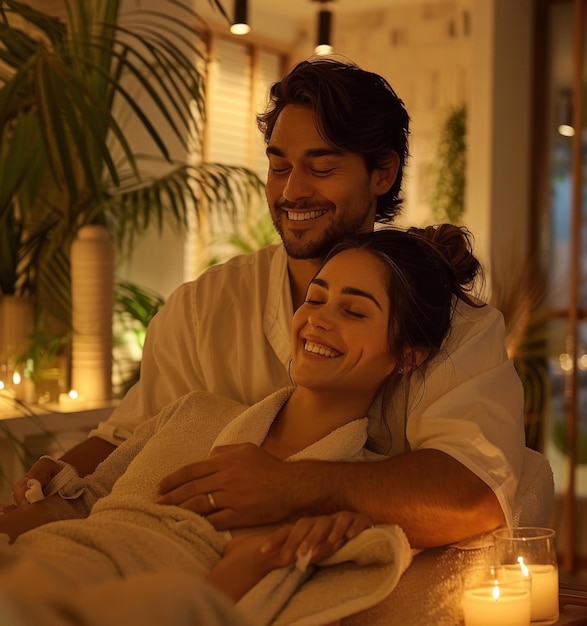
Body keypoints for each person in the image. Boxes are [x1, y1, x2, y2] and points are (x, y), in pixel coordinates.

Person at [9, 58, 525, 552]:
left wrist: (291, 485)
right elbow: (127, 438)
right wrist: (58, 476)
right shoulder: (202, 309)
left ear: (382, 174)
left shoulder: (452, 327)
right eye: (279, 167)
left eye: (321, 167)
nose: (293, 191)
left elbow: (475, 493)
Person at [0, 226, 486, 625]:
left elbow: (220, 612)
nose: (317, 320)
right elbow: (75, 505)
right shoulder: (194, 412)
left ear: (406, 355)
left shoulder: (345, 503)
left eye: (354, 310)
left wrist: (255, 557)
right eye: (314, 299)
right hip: (34, 566)